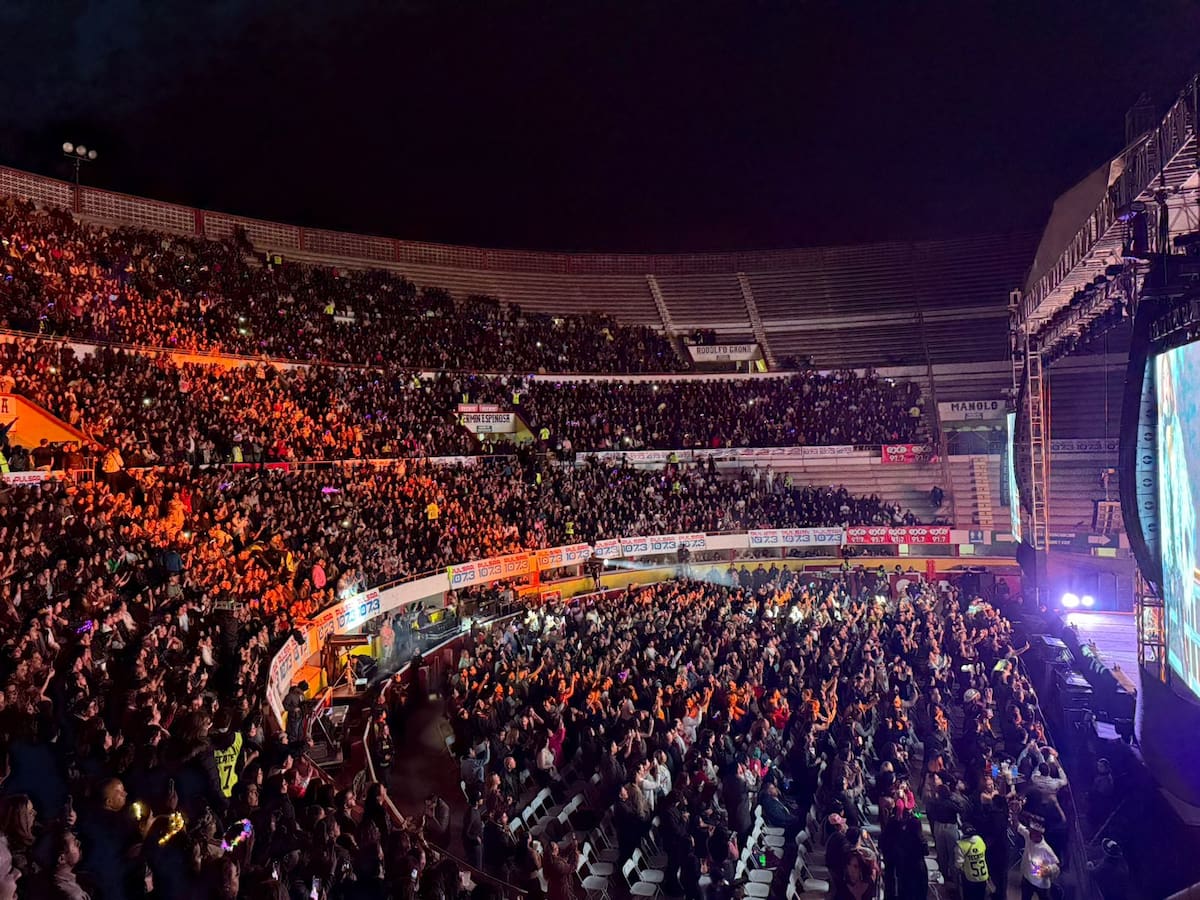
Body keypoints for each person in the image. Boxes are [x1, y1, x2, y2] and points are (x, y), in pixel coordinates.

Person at [1016, 814, 1060, 900]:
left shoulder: (1045, 849)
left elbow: (1057, 865)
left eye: (1032, 832)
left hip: (1041, 884)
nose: (1030, 833)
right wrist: (1014, 813)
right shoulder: (1028, 836)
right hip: (1027, 878)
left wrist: (1048, 870)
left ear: (1038, 834)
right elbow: (1018, 826)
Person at [955, 822, 989, 900]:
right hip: (983, 876)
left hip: (970, 878)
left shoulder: (960, 845)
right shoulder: (980, 840)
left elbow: (958, 864)